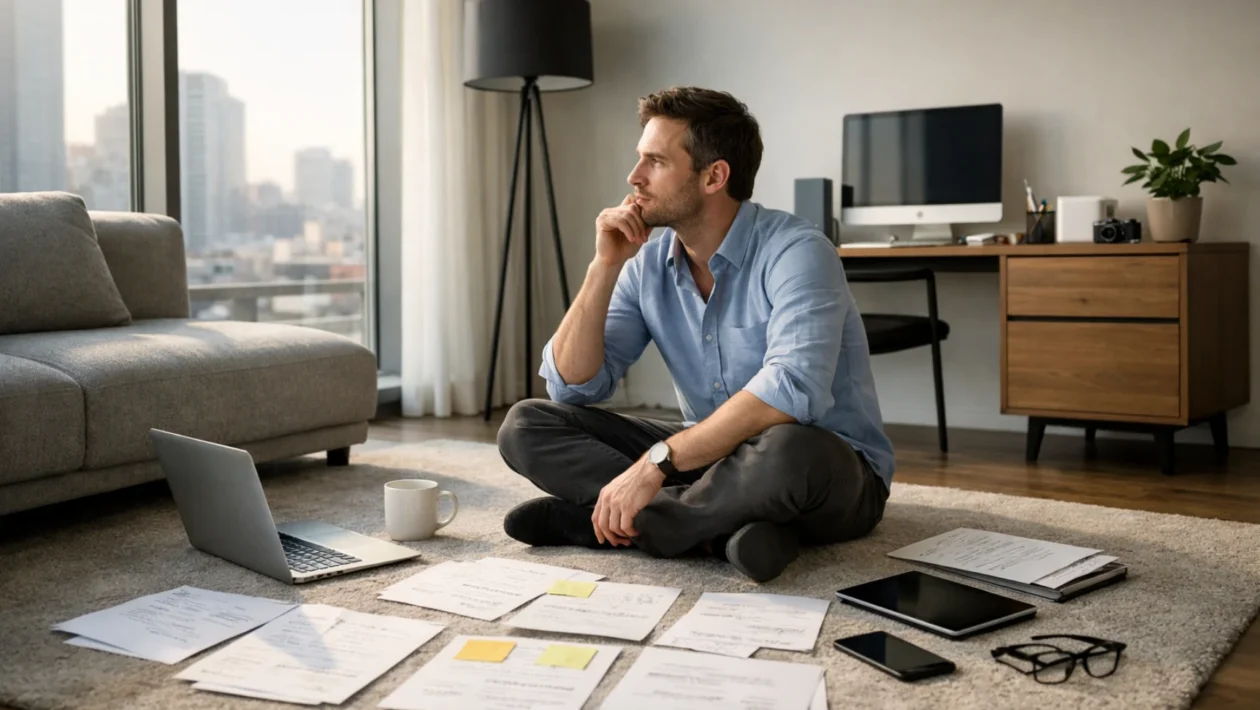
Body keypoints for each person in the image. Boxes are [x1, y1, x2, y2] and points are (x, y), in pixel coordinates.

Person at [496, 86, 895, 582]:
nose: (633, 177)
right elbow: (574, 386)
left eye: (655, 161)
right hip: (710, 461)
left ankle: (607, 522)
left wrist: (651, 468)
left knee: (792, 447)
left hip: (831, 471)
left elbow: (791, 394)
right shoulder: (645, 264)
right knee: (527, 424)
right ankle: (718, 532)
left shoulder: (798, 252)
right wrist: (604, 266)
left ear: (715, 176)